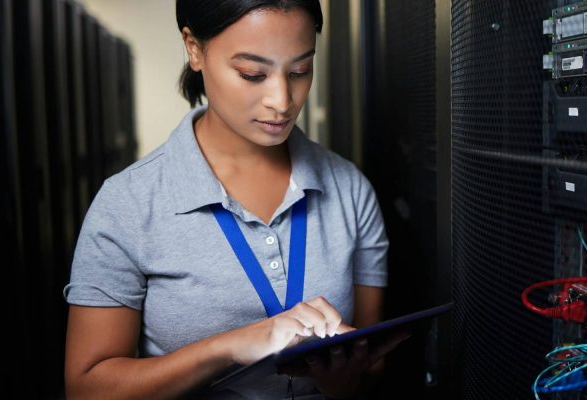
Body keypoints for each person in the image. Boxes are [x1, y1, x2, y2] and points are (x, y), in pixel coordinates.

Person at [63, 1, 390, 398]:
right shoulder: (128, 203)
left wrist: (343, 379)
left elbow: (374, 365)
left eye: (300, 70)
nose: (282, 101)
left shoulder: (350, 190)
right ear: (194, 48)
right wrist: (229, 346)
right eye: (253, 74)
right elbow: (87, 389)